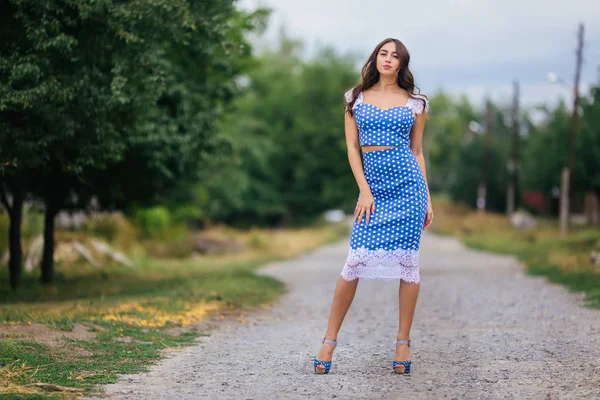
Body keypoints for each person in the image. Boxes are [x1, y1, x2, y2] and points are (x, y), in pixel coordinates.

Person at [313, 38, 433, 375]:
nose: (388, 59)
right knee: (355, 261)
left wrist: (427, 198)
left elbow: (418, 152)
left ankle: (403, 342)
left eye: (395, 56)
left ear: (402, 64)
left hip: (409, 188)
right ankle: (329, 339)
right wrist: (364, 190)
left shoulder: (416, 102)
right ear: (375, 58)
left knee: (409, 265)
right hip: (373, 190)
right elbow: (352, 148)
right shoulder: (355, 98)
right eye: (383, 53)